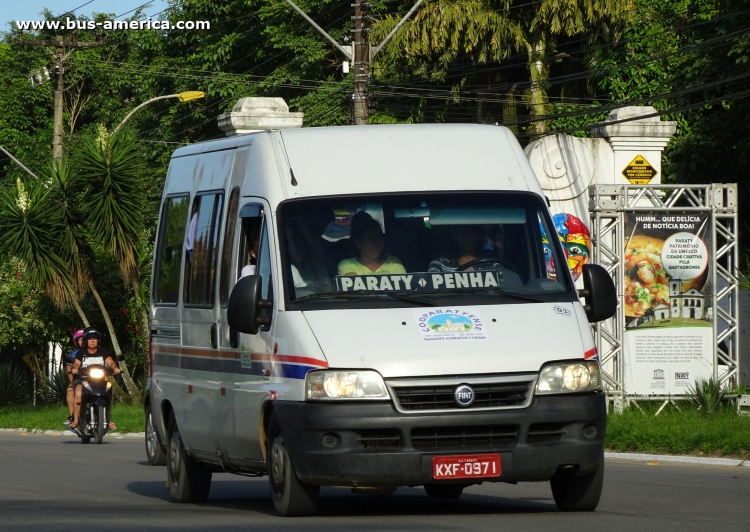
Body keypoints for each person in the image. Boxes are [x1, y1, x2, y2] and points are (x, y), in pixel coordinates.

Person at [428, 224, 523, 287]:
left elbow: (504, 283)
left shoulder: (491, 264)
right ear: (454, 235)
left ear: (478, 236)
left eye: (471, 232)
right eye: (463, 232)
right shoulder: (440, 265)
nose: (467, 236)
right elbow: (433, 289)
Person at [68, 328, 121, 431]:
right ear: (85, 341)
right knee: (78, 393)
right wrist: (74, 369)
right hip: (84, 380)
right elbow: (76, 363)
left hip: (101, 380)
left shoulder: (102, 351)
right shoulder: (81, 352)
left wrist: (115, 368)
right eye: (90, 339)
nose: (92, 341)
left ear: (99, 340)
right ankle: (75, 420)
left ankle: (107, 418)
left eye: (95, 339)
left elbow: (110, 362)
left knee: (109, 391)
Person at [337, 211, 406, 276]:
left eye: (380, 237)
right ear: (358, 243)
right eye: (371, 238)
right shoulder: (347, 264)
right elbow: (354, 287)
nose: (378, 242)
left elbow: (404, 286)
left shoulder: (393, 262)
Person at [64, 328, 86, 426]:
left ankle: (106, 417)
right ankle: (73, 415)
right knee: (70, 390)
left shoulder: (96, 352)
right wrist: (72, 381)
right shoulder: (73, 353)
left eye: (84, 339)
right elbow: (68, 369)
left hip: (95, 378)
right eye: (79, 340)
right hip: (79, 379)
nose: (82, 342)